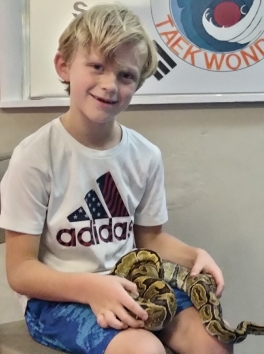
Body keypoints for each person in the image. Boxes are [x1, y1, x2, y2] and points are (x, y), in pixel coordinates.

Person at [0, 4, 233, 354]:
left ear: (137, 82)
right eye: (97, 67)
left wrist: (193, 255)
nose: (110, 85)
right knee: (144, 350)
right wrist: (93, 289)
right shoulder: (35, 157)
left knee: (215, 339)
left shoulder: (145, 155)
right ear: (63, 66)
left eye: (126, 75)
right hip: (55, 300)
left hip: (131, 282)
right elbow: (21, 271)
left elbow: (150, 238)